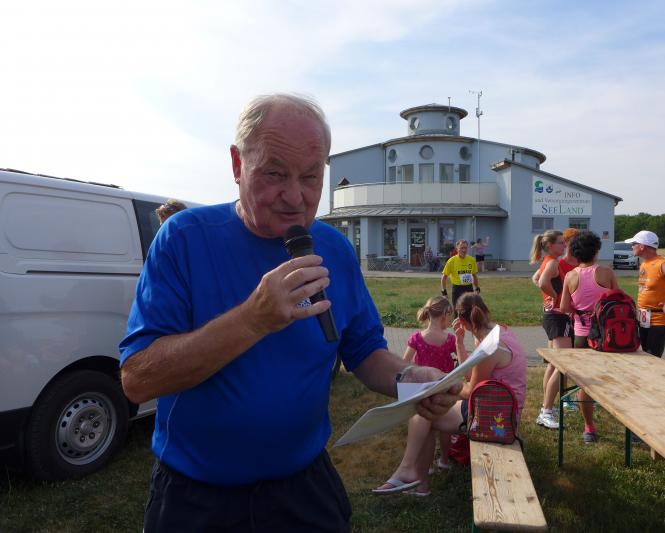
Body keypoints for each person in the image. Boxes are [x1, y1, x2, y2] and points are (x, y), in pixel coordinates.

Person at [119, 94, 460, 532]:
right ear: (237, 164)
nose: (296, 197)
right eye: (275, 173)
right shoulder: (183, 239)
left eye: (311, 177)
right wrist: (252, 319)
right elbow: (138, 379)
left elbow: (364, 351)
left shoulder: (335, 248)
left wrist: (409, 379)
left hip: (303, 486)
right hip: (196, 493)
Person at [373, 293, 527, 496]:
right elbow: (472, 375)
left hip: (495, 417)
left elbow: (471, 389)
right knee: (426, 409)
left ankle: (412, 474)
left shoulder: (490, 348)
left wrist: (444, 385)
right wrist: (459, 344)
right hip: (500, 408)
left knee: (423, 411)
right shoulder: (500, 332)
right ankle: (415, 475)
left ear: (461, 321)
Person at [560, 230, 618, 443]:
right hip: (607, 333)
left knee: (586, 382)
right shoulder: (606, 273)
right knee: (612, 377)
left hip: (582, 334)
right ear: (596, 250)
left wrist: (580, 310)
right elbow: (618, 299)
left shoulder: (570, 276)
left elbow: (564, 307)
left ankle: (589, 428)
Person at [402, 296, 458, 473]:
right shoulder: (450, 339)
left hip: (423, 391)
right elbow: (463, 362)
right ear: (445, 314)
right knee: (445, 428)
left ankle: (428, 465)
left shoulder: (416, 338)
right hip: (444, 390)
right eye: (450, 316)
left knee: (427, 429)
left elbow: (404, 363)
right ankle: (444, 460)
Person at [531, 229, 578, 430]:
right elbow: (542, 282)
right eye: (560, 242)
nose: (564, 245)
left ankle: (547, 406)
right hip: (557, 317)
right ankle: (546, 412)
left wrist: (549, 298)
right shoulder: (552, 262)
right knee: (562, 364)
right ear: (550, 245)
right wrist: (555, 297)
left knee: (553, 363)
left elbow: (535, 278)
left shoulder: (549, 261)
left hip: (552, 315)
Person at [441, 239, 480, 307]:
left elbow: (474, 276)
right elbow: (444, 277)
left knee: (470, 310)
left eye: (465, 248)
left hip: (469, 288)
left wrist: (477, 288)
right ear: (457, 249)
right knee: (457, 310)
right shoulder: (451, 261)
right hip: (457, 289)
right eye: (461, 248)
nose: (464, 250)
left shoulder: (471, 260)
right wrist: (444, 292)